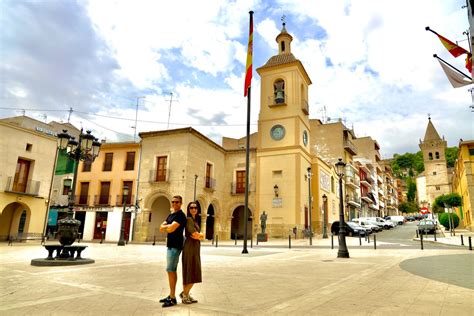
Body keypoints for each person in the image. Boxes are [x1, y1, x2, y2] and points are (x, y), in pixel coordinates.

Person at [159, 195, 187, 308]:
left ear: (181, 203)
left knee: (171, 269)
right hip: (170, 245)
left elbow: (170, 229)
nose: (175, 204)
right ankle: (171, 295)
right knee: (170, 270)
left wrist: (167, 226)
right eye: (173, 202)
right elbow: (161, 227)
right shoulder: (171, 215)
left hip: (176, 246)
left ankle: (172, 298)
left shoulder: (181, 216)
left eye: (177, 202)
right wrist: (167, 226)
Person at [180, 201, 204, 304]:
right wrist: (201, 235)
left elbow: (196, 235)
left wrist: (199, 235)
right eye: (191, 208)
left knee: (191, 272)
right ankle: (185, 295)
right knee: (192, 271)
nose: (193, 209)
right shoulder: (189, 220)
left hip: (194, 248)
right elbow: (194, 234)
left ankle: (185, 293)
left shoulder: (195, 220)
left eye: (195, 208)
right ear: (188, 210)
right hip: (190, 248)